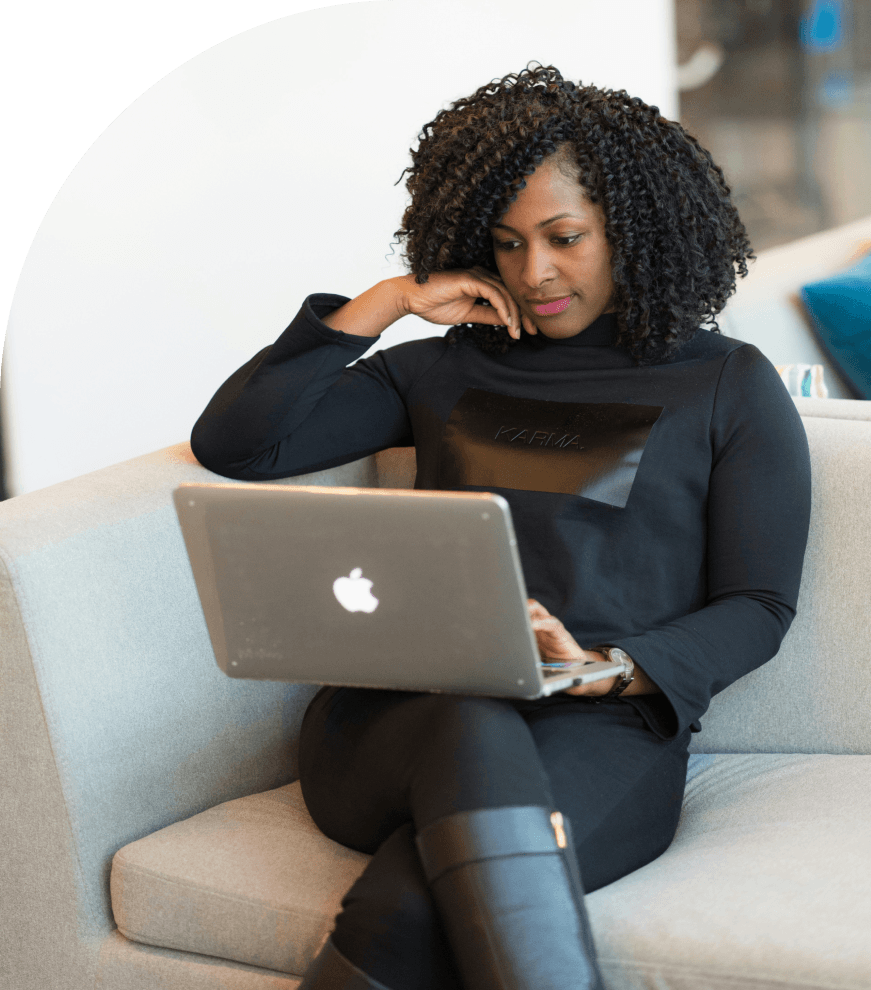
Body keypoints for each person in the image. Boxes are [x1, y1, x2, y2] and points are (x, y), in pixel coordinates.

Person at [190, 63, 812, 990]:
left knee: (410, 904)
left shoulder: (726, 385)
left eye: (566, 238)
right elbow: (240, 443)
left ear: (633, 232)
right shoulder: (442, 369)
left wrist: (600, 668)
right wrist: (389, 302)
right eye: (506, 242)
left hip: (602, 732)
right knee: (469, 726)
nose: (535, 272)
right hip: (394, 725)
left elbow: (757, 606)